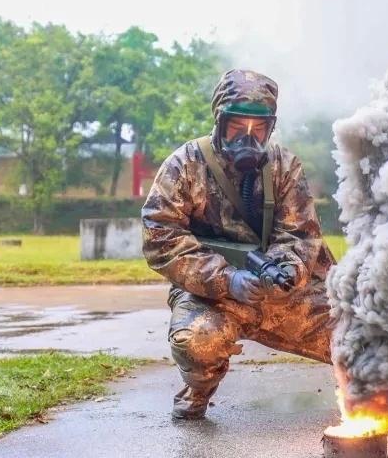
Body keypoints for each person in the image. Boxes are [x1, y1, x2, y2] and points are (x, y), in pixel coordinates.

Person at [141, 69, 335, 420]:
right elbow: (160, 236)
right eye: (236, 125)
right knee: (198, 340)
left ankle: (374, 397)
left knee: (361, 337)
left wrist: (285, 271)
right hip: (212, 295)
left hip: (279, 291)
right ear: (219, 121)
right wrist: (226, 280)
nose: (248, 136)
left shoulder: (284, 166)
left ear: (270, 127)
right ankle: (198, 388)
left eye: (258, 127)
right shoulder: (185, 165)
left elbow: (300, 234)